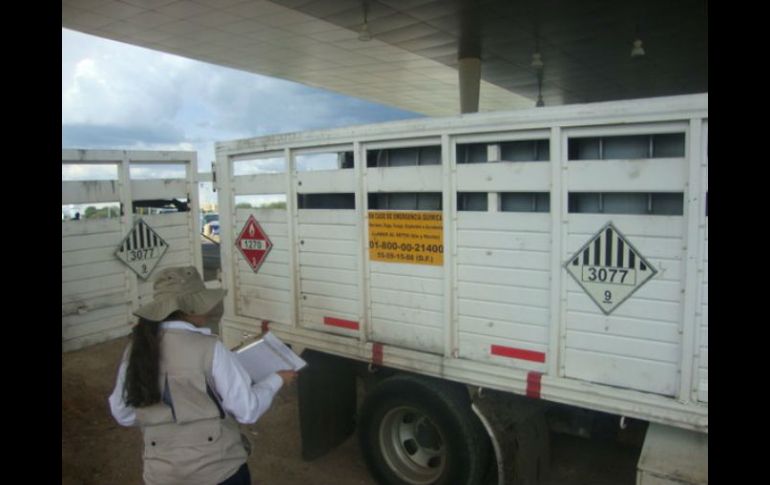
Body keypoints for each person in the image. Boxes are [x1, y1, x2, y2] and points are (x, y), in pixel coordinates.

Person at [108, 266, 297, 485]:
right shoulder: (211, 349)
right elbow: (247, 411)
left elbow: (122, 414)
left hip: (161, 474)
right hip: (218, 471)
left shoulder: (136, 350)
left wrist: (161, 418)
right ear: (190, 309)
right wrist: (277, 379)